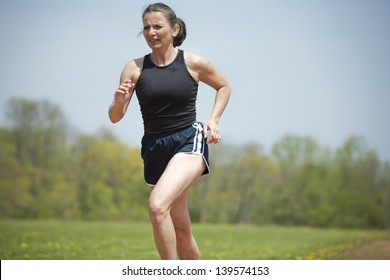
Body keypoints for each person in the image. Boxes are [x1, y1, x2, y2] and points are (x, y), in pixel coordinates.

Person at [108, 3, 231, 260]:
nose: (151, 32)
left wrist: (214, 120)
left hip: (188, 141)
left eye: (157, 26)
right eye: (146, 27)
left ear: (175, 29)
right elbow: (115, 117)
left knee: (156, 206)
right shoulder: (134, 68)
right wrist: (119, 102)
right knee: (181, 230)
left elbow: (223, 87)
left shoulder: (194, 62)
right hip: (155, 147)